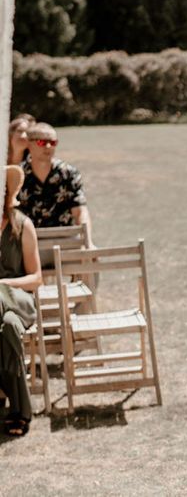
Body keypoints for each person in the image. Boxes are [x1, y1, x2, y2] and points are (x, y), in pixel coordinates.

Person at [0, 165, 43, 437]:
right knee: (8, 328)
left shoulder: (22, 224)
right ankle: (20, 410)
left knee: (11, 316)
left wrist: (2, 285)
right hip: (7, 316)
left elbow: (37, 278)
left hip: (20, 299)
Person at [17, 122, 93, 248]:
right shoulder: (18, 175)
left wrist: (88, 242)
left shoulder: (68, 173)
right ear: (29, 144)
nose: (48, 146)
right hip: (29, 243)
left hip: (65, 239)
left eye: (52, 143)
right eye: (42, 142)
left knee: (91, 259)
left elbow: (80, 212)